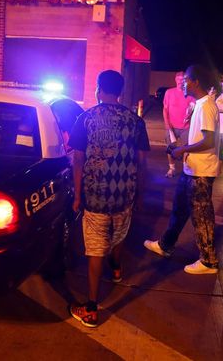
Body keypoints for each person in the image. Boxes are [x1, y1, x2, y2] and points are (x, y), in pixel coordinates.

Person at [67, 70, 150, 328]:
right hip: (124, 193)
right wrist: (139, 194)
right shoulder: (135, 122)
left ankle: (91, 308)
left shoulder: (85, 118)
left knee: (94, 248)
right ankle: (116, 269)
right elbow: (142, 161)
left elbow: (78, 158)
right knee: (119, 234)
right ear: (121, 91)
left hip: (95, 195)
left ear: (98, 89)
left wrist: (78, 195)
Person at [144, 65, 221, 274]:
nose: (182, 84)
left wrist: (182, 150)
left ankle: (209, 261)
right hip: (191, 169)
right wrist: (180, 147)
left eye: (186, 80)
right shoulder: (199, 105)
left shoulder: (206, 106)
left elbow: (209, 140)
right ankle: (165, 245)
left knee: (201, 217)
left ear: (196, 82)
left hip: (201, 172)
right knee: (179, 209)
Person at [163, 71, 195, 178]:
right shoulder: (169, 92)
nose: (181, 81)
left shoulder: (190, 94)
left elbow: (193, 108)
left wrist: (190, 114)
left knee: (187, 149)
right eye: (179, 79)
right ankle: (172, 168)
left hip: (186, 127)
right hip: (171, 126)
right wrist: (167, 125)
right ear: (175, 79)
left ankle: (186, 168)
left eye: (183, 79)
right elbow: (165, 110)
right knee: (170, 148)